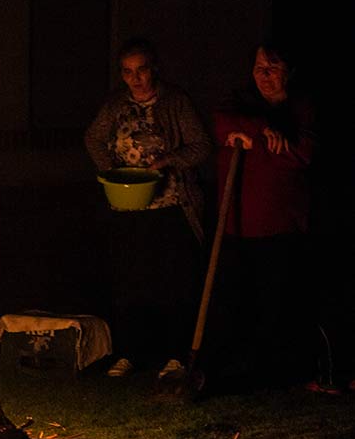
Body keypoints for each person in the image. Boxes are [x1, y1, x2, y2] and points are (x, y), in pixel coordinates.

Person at [84, 37, 212, 380]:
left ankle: (174, 355)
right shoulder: (115, 106)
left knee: (173, 280)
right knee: (130, 280)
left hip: (170, 205)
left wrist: (169, 159)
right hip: (129, 207)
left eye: (141, 70)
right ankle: (129, 353)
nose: (135, 78)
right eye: (128, 72)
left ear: (154, 68)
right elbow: (93, 137)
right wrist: (111, 169)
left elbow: (201, 145)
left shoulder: (175, 102)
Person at [201, 40, 319, 392]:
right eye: (258, 68)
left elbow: (300, 155)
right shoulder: (241, 103)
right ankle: (228, 370)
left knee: (275, 302)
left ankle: (271, 372)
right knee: (234, 300)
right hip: (235, 223)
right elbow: (222, 123)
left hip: (279, 224)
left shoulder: (302, 109)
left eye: (273, 68)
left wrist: (258, 140)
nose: (264, 76)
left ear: (289, 72)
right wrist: (261, 130)